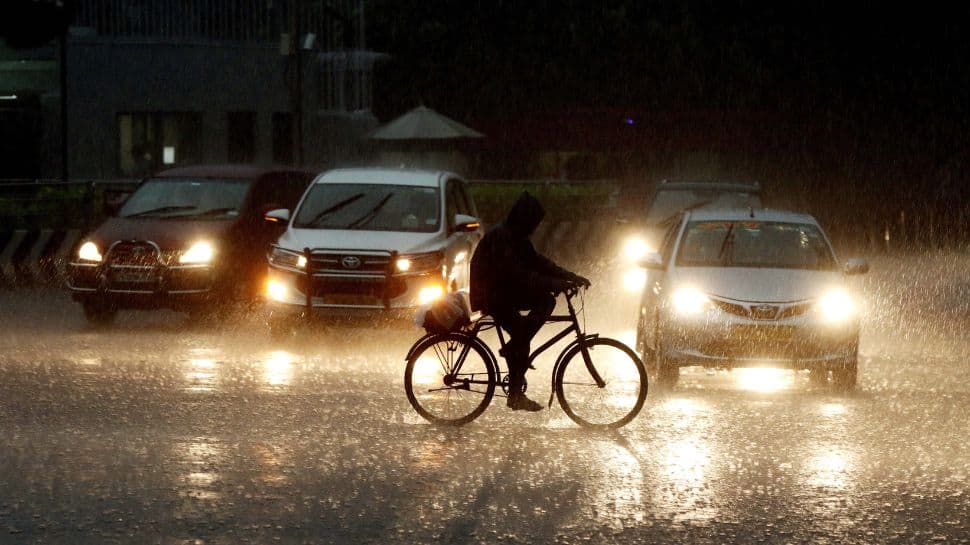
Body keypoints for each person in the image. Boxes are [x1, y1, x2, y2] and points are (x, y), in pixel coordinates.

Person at [470, 191, 591, 411]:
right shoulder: (503, 237)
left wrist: (570, 277)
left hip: (502, 291)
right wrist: (555, 284)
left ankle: (515, 348)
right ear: (524, 219)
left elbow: (538, 263)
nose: (534, 228)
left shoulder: (516, 236)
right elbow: (520, 275)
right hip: (491, 295)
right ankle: (515, 391)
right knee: (523, 333)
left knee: (541, 307)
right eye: (533, 222)